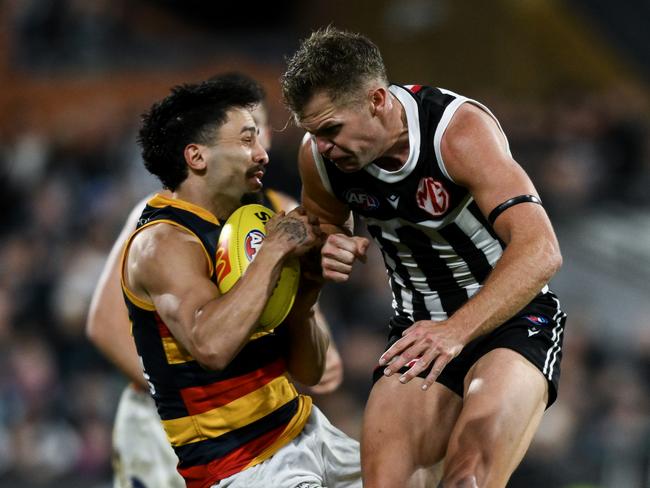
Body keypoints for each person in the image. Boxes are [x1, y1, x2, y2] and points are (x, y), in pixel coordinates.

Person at [281, 27, 567, 488]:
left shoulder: (456, 132)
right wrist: (329, 245)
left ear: (376, 100)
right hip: (418, 330)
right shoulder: (319, 157)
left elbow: (541, 250)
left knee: (467, 477)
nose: (325, 146)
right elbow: (320, 230)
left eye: (332, 130)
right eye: (314, 134)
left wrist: (455, 330)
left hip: (512, 321)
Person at [86, 73, 345, 488]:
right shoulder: (161, 239)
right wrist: (178, 397)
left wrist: (309, 289)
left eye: (261, 134)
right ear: (197, 156)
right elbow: (210, 346)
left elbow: (310, 371)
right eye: (247, 138)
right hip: (233, 457)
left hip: (302, 428)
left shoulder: (269, 214)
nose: (262, 151)